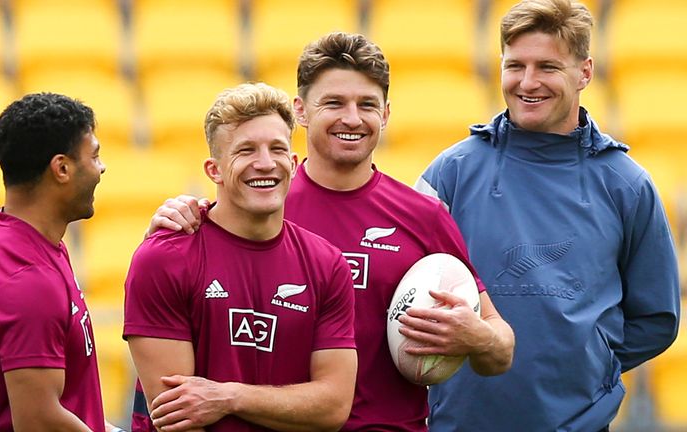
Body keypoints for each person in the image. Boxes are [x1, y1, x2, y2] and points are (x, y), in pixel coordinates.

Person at [145, 32, 515, 431]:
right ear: (301, 110)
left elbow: (500, 347)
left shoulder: (422, 216)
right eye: (334, 103)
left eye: (367, 105)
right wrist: (172, 223)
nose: (352, 119)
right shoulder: (260, 204)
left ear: (386, 114)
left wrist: (476, 336)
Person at [413, 0, 681, 430]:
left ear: (585, 72)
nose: (528, 82)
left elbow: (657, 319)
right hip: (459, 423)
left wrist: (585, 365)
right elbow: (401, 292)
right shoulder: (450, 173)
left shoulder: (626, 185)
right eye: (515, 65)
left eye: (548, 67)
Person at [124, 82, 358, 432]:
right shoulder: (164, 258)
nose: (265, 164)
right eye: (245, 150)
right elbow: (179, 417)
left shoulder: (327, 265)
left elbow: (333, 407)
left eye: (277, 149)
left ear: (293, 164)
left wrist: (229, 396)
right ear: (213, 170)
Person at [0, 93, 122, 431]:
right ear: (62, 168)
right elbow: (40, 422)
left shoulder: (14, 238)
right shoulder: (28, 280)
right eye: (95, 155)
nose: (101, 168)